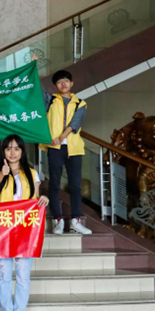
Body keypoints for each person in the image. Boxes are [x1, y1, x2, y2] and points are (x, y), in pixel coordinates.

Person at [0, 134, 50, 311]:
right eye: (8, 148)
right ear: (3, 151)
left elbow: (36, 199)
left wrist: (43, 199)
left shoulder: (32, 173)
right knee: (4, 275)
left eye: (16, 148)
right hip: (3, 231)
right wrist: (4, 173)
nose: (12, 152)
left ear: (22, 151)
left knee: (23, 275)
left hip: (25, 231)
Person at [40, 69, 92, 235]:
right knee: (54, 184)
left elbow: (75, 123)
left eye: (66, 81)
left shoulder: (80, 103)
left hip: (74, 149)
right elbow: (36, 90)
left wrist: (60, 137)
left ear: (71, 83)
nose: (63, 84)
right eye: (59, 82)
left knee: (75, 186)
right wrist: (33, 66)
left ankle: (75, 221)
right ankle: (58, 220)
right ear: (55, 86)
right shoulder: (50, 100)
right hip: (55, 148)